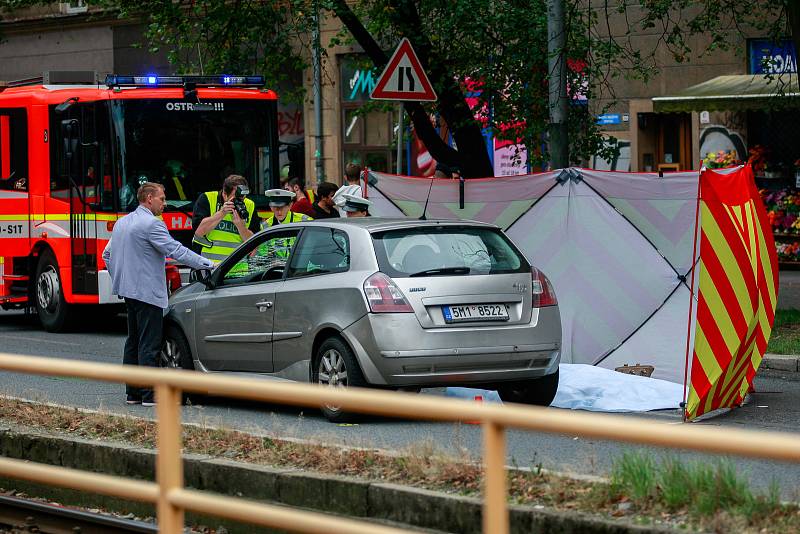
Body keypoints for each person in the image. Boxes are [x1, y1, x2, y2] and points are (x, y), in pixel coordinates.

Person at [102, 182, 213, 407]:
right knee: (149, 343)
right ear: (149, 198)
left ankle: (132, 392)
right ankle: (149, 394)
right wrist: (207, 263)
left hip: (128, 291)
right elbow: (176, 250)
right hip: (147, 292)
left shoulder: (122, 223)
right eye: (162, 199)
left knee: (133, 341)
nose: (165, 203)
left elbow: (107, 254)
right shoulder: (152, 224)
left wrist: (121, 278)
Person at [191, 175, 261, 264]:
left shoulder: (250, 205)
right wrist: (221, 213)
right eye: (235, 198)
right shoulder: (208, 199)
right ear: (224, 193)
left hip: (237, 270)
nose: (239, 202)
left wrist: (241, 227)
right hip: (209, 267)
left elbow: (255, 244)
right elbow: (198, 232)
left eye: (242, 198)